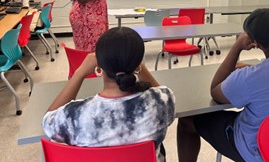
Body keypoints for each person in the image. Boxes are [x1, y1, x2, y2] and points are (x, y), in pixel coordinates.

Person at [176, 8, 269, 162]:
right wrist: (254, 68)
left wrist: (237, 47)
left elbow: (215, 91)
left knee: (187, 120)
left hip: (258, 152)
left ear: (255, 42)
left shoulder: (252, 77)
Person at [42, 27, 175, 162]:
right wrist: (138, 66)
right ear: (137, 64)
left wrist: (80, 72)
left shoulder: (75, 116)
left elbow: (47, 122)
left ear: (99, 65)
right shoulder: (161, 101)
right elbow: (163, 98)